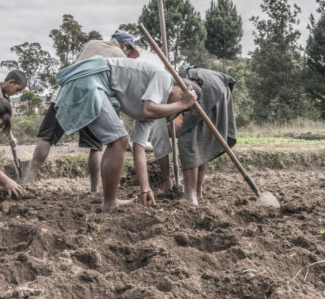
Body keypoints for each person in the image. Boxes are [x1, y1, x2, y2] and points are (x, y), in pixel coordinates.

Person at [53, 55, 196, 211]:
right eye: (179, 101)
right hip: (89, 79)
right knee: (119, 140)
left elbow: (138, 149)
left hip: (92, 85)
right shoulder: (164, 78)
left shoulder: (151, 111)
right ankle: (110, 202)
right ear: (181, 91)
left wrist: (145, 188)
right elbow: (149, 109)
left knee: (118, 140)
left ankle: (110, 201)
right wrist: (183, 104)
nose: (174, 109)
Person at [26, 32, 139, 190]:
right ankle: (94, 189)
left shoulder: (91, 43)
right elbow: (116, 89)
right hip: (92, 99)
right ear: (124, 45)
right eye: (129, 51)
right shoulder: (120, 56)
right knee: (95, 147)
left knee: (47, 138)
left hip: (63, 94)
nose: (128, 54)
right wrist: (117, 116)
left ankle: (28, 178)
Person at [153, 67, 237, 206]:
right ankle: (197, 192)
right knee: (199, 140)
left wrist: (166, 179)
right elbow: (160, 143)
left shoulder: (162, 99)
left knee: (188, 139)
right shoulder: (160, 110)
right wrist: (167, 179)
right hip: (217, 85)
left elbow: (161, 142)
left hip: (208, 89)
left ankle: (190, 197)